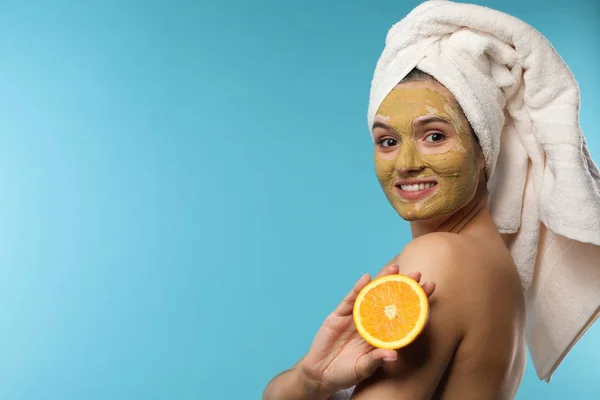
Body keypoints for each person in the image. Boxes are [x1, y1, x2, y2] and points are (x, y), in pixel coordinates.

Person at [264, 1, 600, 398]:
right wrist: (312, 379)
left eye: (435, 135)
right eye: (387, 141)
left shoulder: (440, 258)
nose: (406, 164)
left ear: (483, 150)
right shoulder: (489, 262)